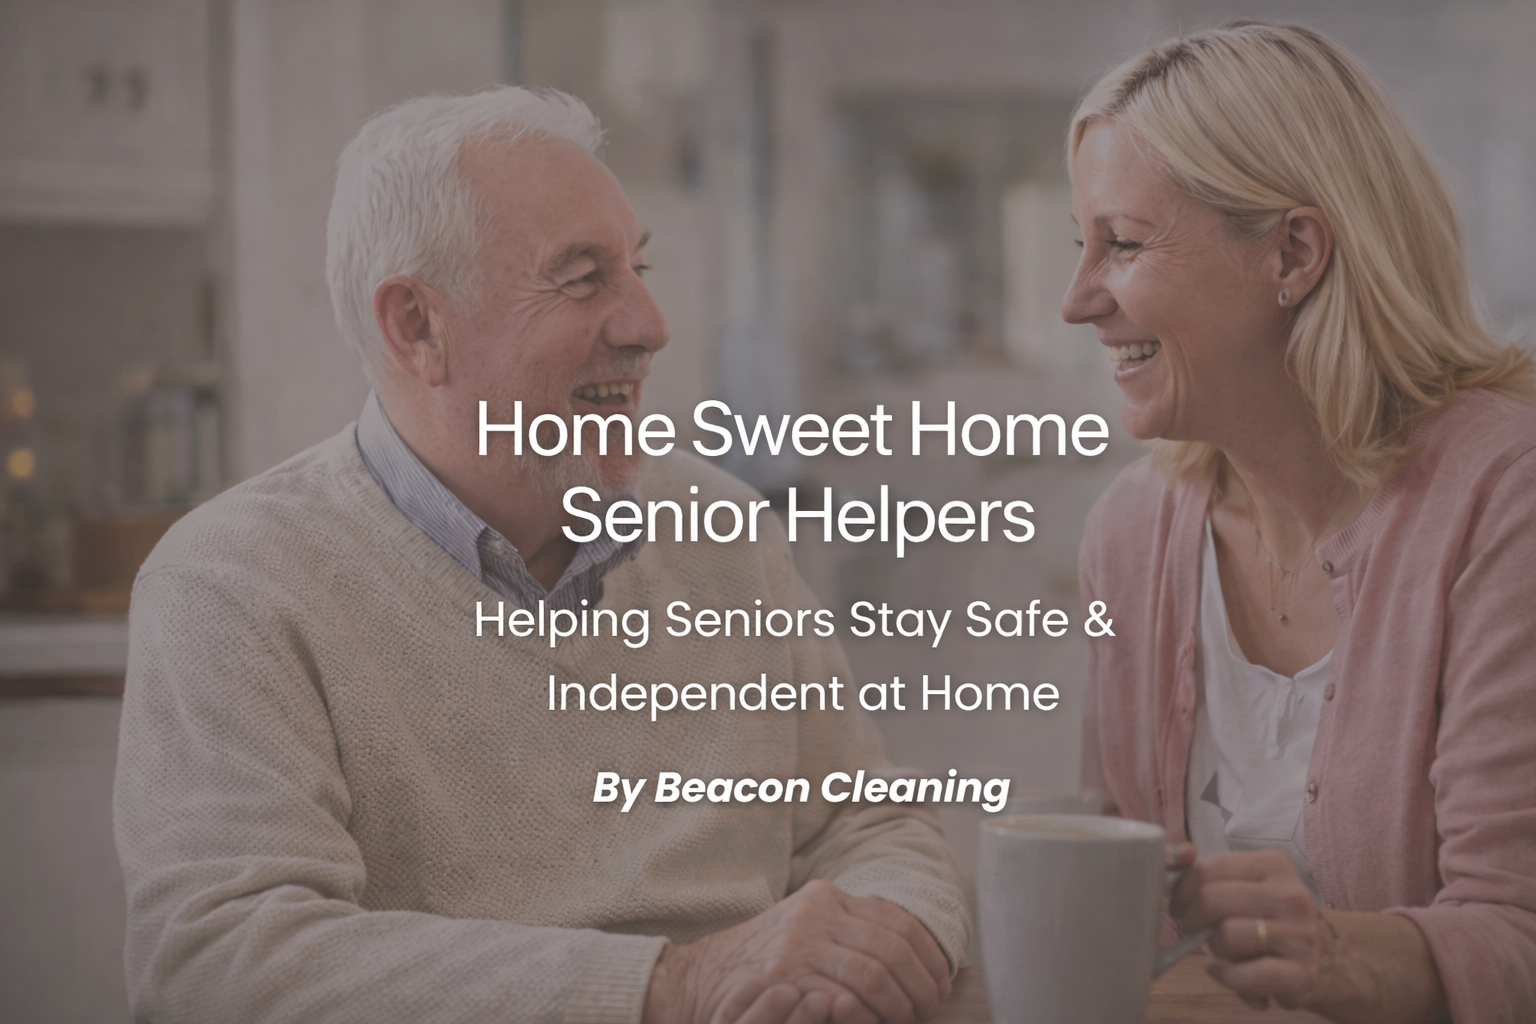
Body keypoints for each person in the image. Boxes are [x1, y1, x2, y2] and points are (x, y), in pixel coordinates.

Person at [113, 87, 967, 1024]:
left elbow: (870, 822)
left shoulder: (721, 526)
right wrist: (673, 987)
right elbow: (224, 960)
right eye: (582, 277)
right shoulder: (232, 585)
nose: (649, 323)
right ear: (417, 328)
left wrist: (887, 949)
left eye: (637, 267)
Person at [1064, 21, 1536, 1024]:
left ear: (1294, 250)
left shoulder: (1507, 497)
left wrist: (1337, 957)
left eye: (1123, 245)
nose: (1077, 300)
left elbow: (1520, 933)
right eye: (1082, 246)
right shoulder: (1129, 534)